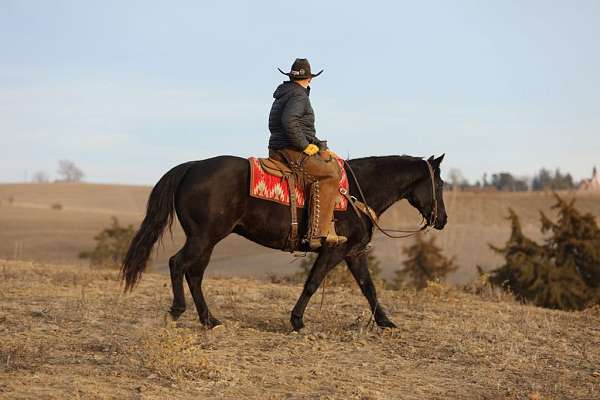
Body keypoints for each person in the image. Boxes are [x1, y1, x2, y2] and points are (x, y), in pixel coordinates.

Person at [268, 58, 347, 250]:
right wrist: (304, 146)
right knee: (331, 173)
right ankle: (317, 233)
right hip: (290, 149)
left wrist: (320, 146)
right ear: (310, 79)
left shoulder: (285, 93)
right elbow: (289, 122)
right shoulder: (299, 96)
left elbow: (302, 127)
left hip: (281, 146)